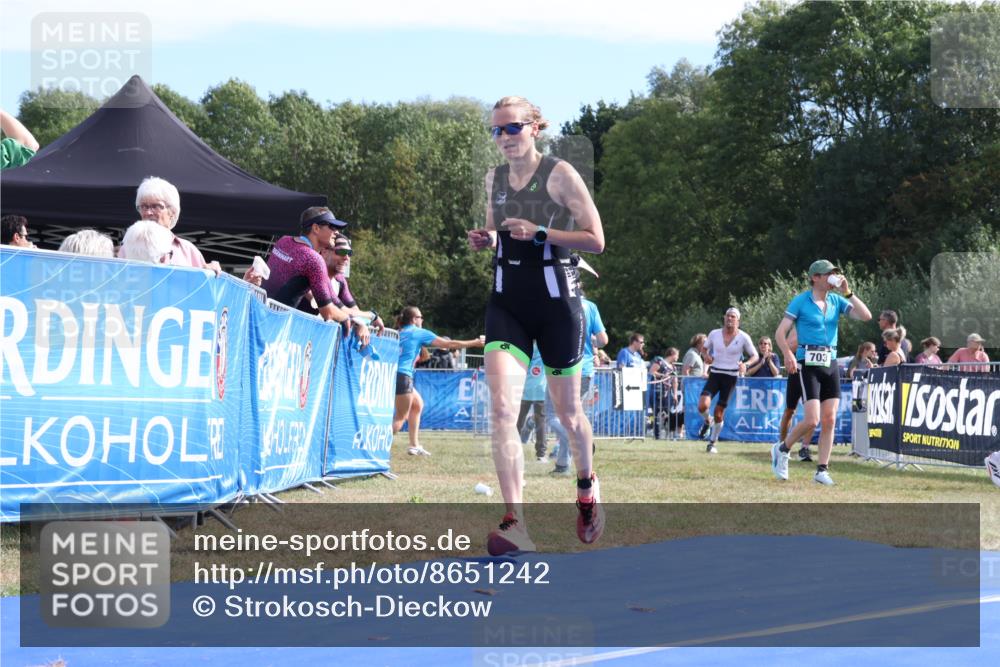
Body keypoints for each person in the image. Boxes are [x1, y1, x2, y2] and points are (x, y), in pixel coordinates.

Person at [467, 95, 605, 556]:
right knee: (503, 412)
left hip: (558, 307)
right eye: (496, 130)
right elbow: (496, 232)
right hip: (507, 304)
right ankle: (515, 522)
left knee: (569, 414)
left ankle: (586, 489)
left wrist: (541, 232)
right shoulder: (493, 179)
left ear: (534, 128)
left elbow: (596, 240)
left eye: (511, 128)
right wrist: (485, 238)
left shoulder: (561, 174)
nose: (503, 138)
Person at [773, 260, 872, 485]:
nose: (833, 277)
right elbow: (780, 333)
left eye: (834, 274)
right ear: (815, 278)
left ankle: (821, 470)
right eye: (828, 274)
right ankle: (783, 449)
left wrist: (848, 292)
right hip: (807, 364)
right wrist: (788, 354)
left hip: (831, 363)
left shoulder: (837, 300)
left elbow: (866, 316)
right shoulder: (801, 301)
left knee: (830, 419)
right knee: (812, 420)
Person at [262, 206, 370, 343]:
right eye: (332, 227)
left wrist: (368, 317)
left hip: (260, 316)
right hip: (275, 332)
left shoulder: (284, 240)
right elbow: (328, 312)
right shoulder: (314, 260)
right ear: (316, 228)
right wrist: (345, 319)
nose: (336, 232)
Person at [394, 306, 485, 456]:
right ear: (414, 319)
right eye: (420, 317)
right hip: (403, 376)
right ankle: (372, 450)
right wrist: (475, 342)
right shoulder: (418, 332)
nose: (422, 320)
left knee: (417, 405)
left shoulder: (399, 333)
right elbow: (450, 344)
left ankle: (414, 445)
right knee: (400, 418)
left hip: (394, 375)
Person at [697, 308, 758, 453]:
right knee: (702, 406)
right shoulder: (714, 334)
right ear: (724, 318)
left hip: (731, 377)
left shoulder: (743, 337)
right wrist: (706, 357)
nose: (729, 319)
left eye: (733, 317)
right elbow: (704, 350)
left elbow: (755, 355)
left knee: (719, 413)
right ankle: (707, 420)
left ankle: (712, 443)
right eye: (727, 316)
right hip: (715, 374)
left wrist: (746, 364)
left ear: (738, 320)